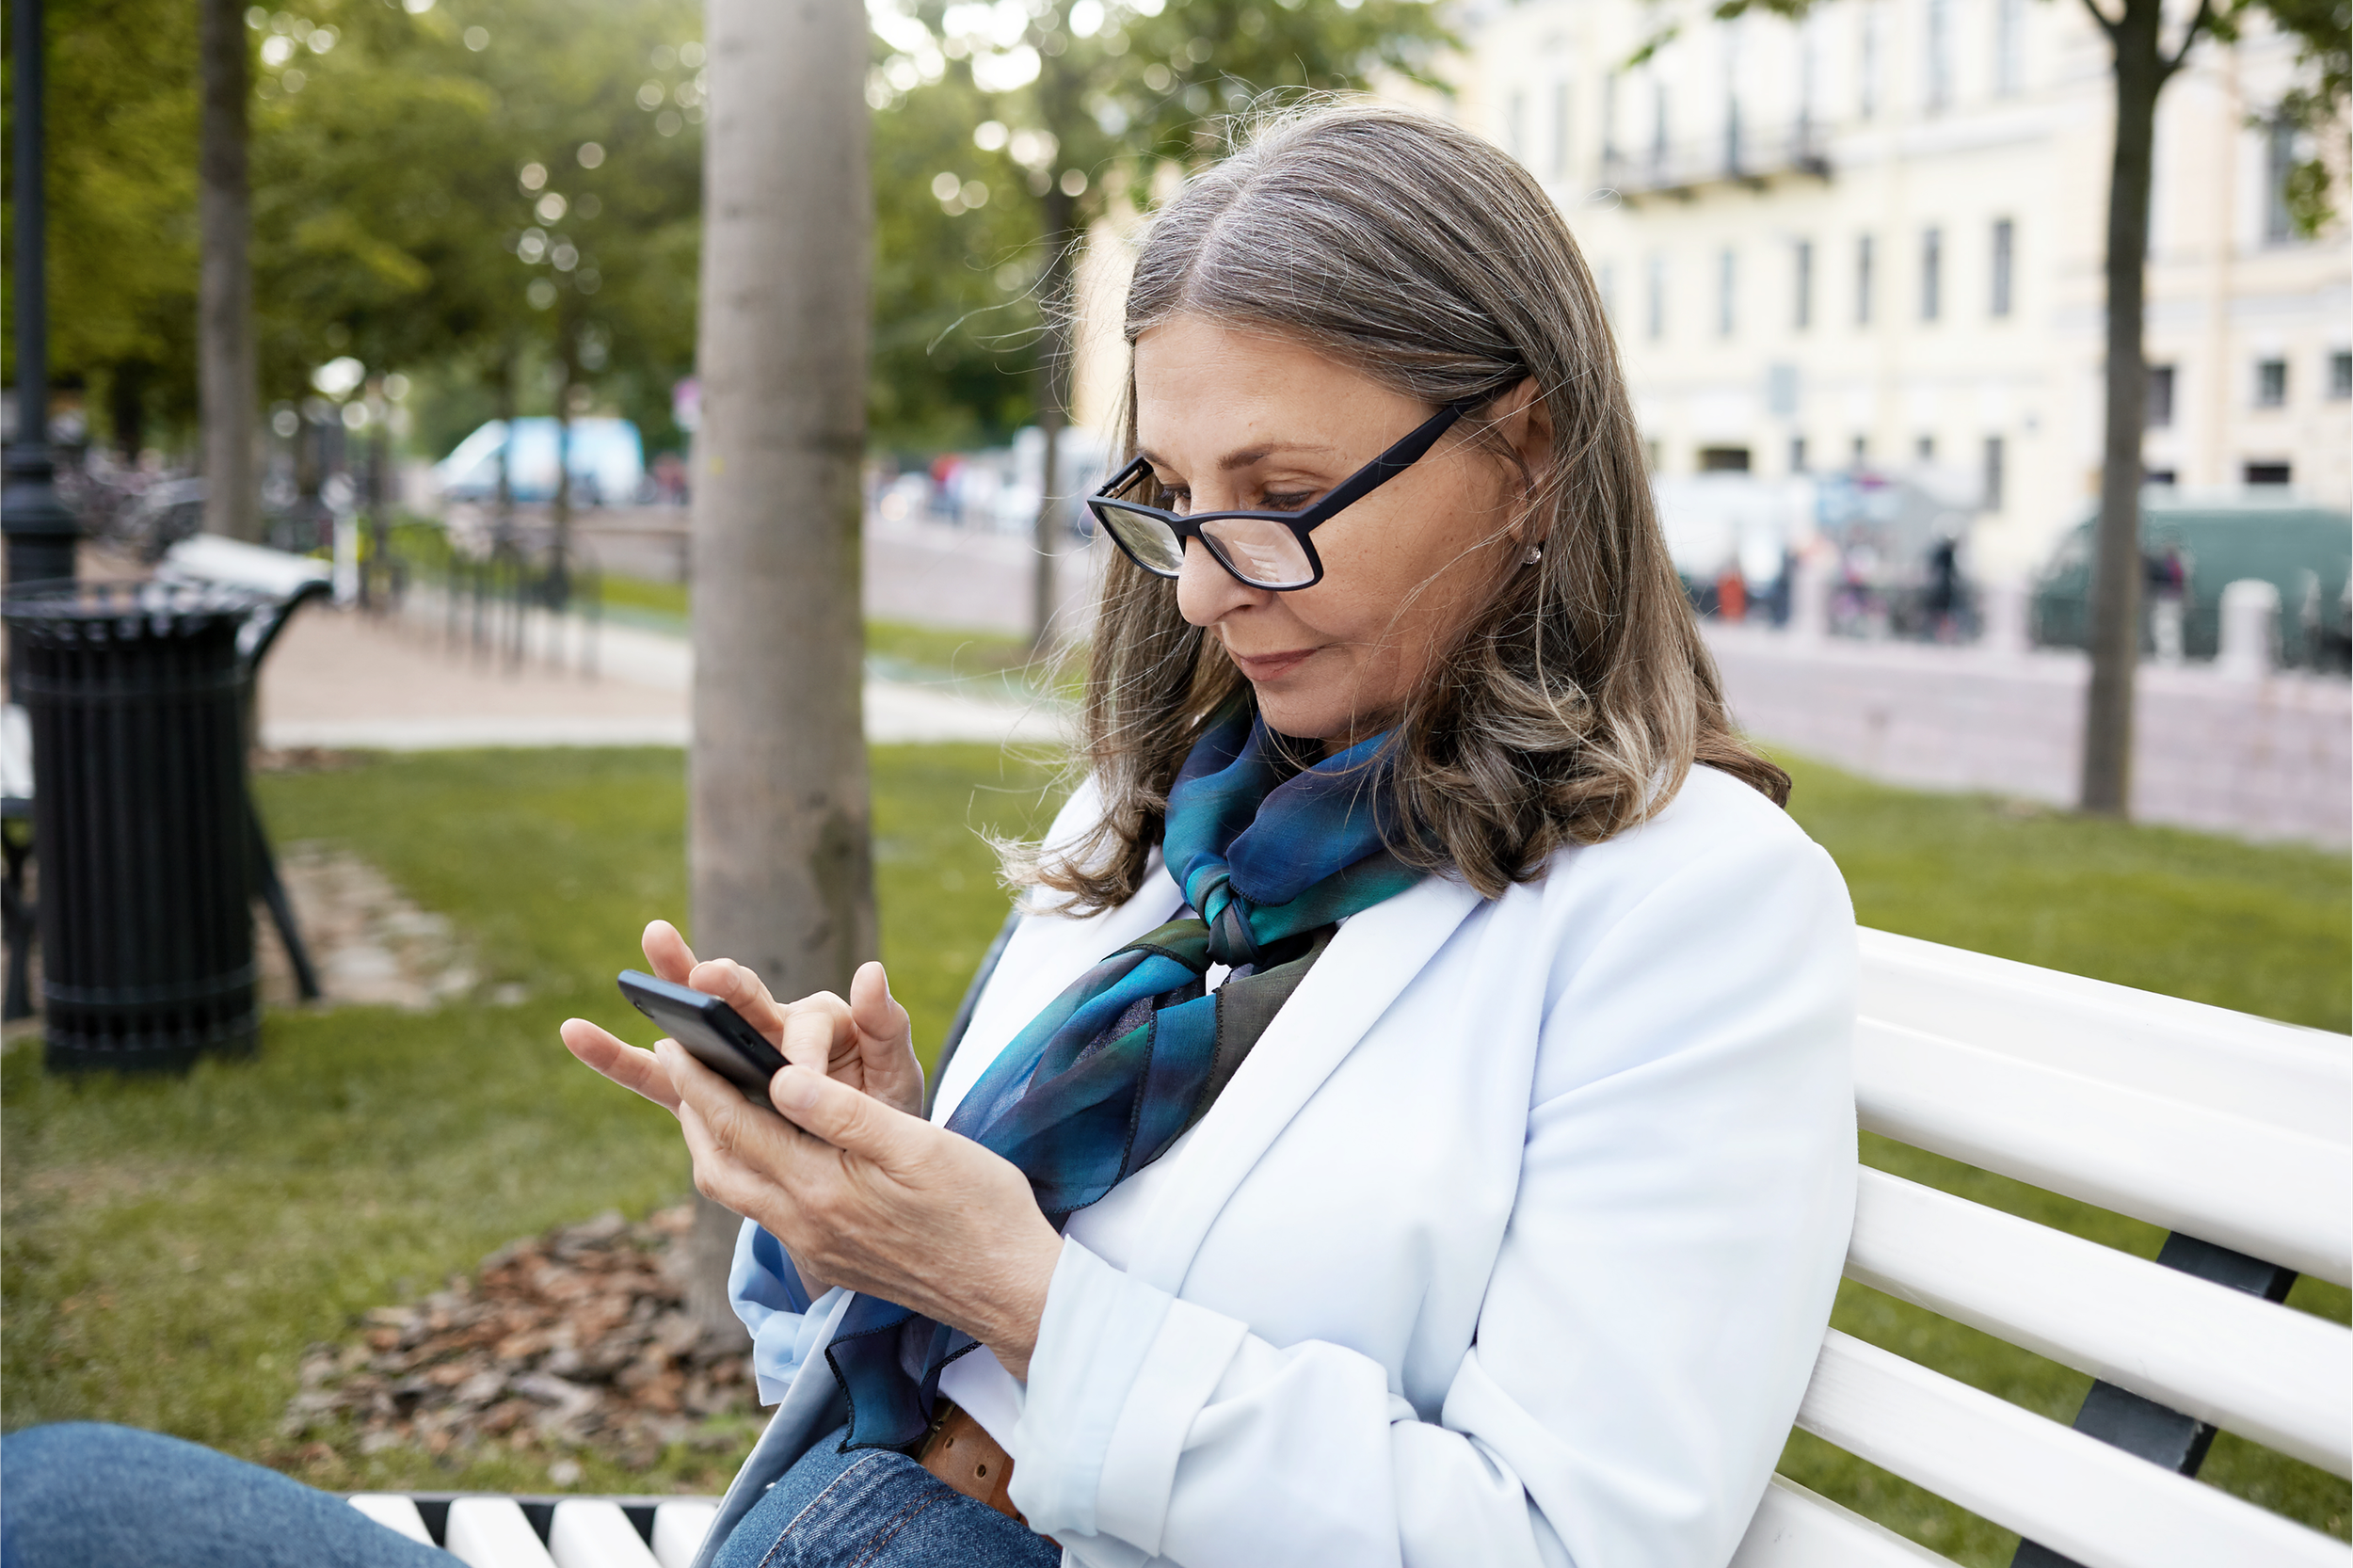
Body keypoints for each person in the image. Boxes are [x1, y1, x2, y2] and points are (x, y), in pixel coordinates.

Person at [0, 102, 1853, 1568]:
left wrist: (1007, 1277)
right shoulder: (1169, 826)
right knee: (56, 1494)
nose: (1205, 592)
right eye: (1169, 501)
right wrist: (857, 1205)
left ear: (1525, 448)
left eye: (1279, 501)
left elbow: (1558, 1538)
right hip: (832, 1527)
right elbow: (848, 1390)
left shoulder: (1693, 915)